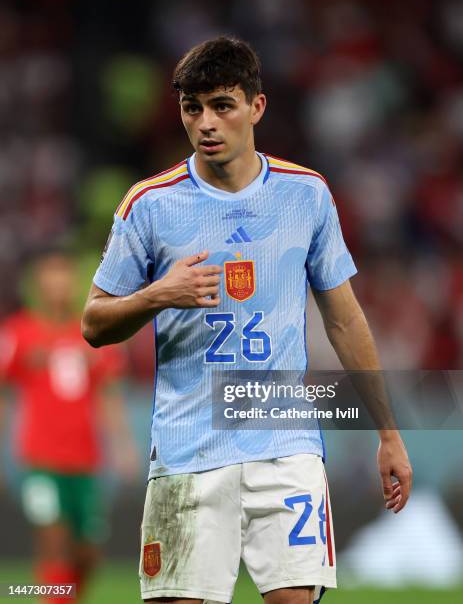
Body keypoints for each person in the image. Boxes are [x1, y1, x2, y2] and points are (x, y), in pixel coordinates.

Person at [82, 36, 413, 604]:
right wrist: (158, 295)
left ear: (255, 107)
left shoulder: (306, 195)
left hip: (285, 447)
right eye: (193, 108)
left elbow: (344, 320)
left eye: (222, 105)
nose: (206, 123)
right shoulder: (150, 203)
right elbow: (94, 322)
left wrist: (389, 434)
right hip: (189, 451)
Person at [0, 250, 139, 604]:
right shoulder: (18, 333)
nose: (58, 285)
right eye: (50, 277)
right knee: (53, 540)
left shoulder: (92, 333)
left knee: (88, 553)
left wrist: (123, 445)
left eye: (64, 276)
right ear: (37, 286)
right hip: (39, 461)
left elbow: (108, 395)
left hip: (85, 462)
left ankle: (61, 597)